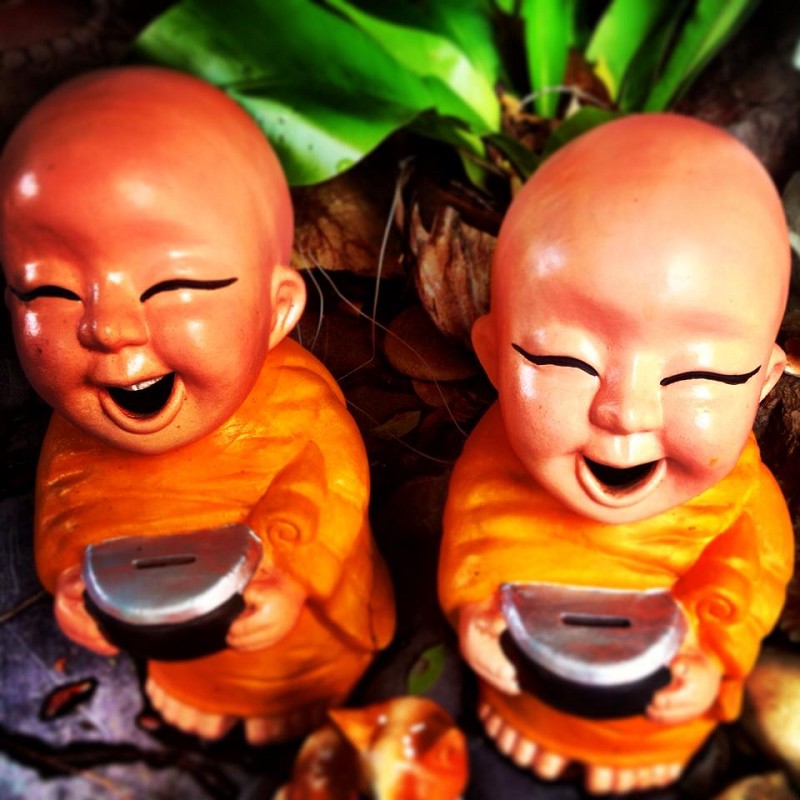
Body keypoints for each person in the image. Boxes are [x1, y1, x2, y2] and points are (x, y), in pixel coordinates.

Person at [0, 66, 394, 745]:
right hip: (167, 633)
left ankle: (302, 687)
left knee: (295, 648)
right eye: (51, 293)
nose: (109, 327)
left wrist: (292, 573)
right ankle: (197, 688)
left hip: (295, 639)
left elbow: (326, 492)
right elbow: (66, 510)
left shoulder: (298, 404)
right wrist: (71, 577)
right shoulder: (74, 434)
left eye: (173, 284)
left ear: (277, 310)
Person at [439, 114, 793, 794]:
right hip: (524, 688)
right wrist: (476, 614)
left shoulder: (741, 498)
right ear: (493, 356)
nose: (627, 412)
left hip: (657, 712)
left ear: (764, 383)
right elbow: (475, 549)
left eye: (701, 375)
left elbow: (751, 579)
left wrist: (714, 654)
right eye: (566, 360)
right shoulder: (491, 467)